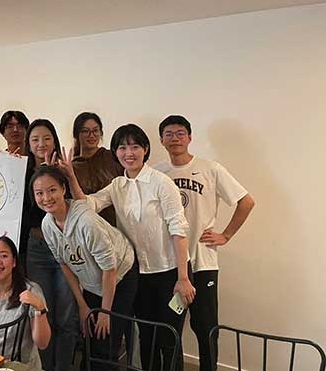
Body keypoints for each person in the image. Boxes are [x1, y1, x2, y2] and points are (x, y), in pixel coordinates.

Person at [59, 124, 195, 371]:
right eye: (122, 147)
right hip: (139, 275)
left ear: (145, 149)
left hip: (170, 273)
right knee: (146, 336)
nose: (128, 152)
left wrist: (183, 277)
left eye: (134, 146)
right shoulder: (117, 184)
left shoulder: (161, 183)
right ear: (115, 152)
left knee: (169, 338)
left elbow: (178, 229)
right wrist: (70, 176)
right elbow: (89, 205)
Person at [156, 115, 255, 371]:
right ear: (161, 140)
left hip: (203, 263)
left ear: (190, 137)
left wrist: (226, 235)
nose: (175, 138)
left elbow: (246, 202)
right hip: (170, 265)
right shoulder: (157, 173)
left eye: (180, 133)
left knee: (206, 329)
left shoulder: (211, 168)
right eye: (169, 133)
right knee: (170, 330)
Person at [33, 165, 138, 370]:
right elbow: (65, 264)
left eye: (52, 190)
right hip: (92, 282)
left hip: (120, 275)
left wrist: (105, 312)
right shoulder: (47, 224)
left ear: (64, 189)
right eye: (39, 193)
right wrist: (82, 305)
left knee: (106, 340)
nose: (46, 197)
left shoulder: (86, 222)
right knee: (90, 336)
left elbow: (110, 269)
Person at [23, 119, 79, 371]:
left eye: (46, 138)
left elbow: (81, 203)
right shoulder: (20, 169)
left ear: (54, 140)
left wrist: (67, 173)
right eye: (35, 139)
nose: (41, 144)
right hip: (36, 249)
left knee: (67, 316)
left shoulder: (63, 170)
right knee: (42, 313)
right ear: (28, 143)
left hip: (66, 248)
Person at [0, 236, 51, 369]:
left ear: (14, 262)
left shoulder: (31, 290)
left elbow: (42, 343)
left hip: (22, 367)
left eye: (4, 256)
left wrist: (40, 307)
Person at [71, 112, 123, 226]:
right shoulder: (72, 167)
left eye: (95, 130)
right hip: (87, 228)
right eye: (85, 131)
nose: (91, 135)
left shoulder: (114, 157)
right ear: (76, 134)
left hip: (118, 226)